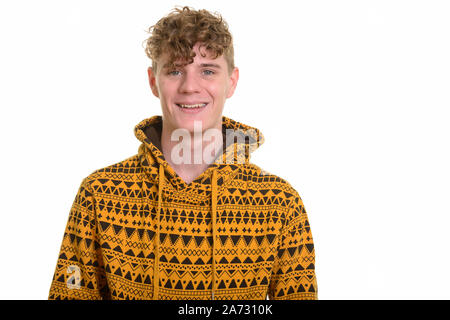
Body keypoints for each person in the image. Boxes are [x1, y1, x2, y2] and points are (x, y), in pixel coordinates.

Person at [48, 6, 318, 300]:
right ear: (153, 82)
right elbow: (70, 290)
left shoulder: (280, 203)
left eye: (208, 71)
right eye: (175, 71)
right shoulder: (98, 195)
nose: (190, 87)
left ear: (232, 81)